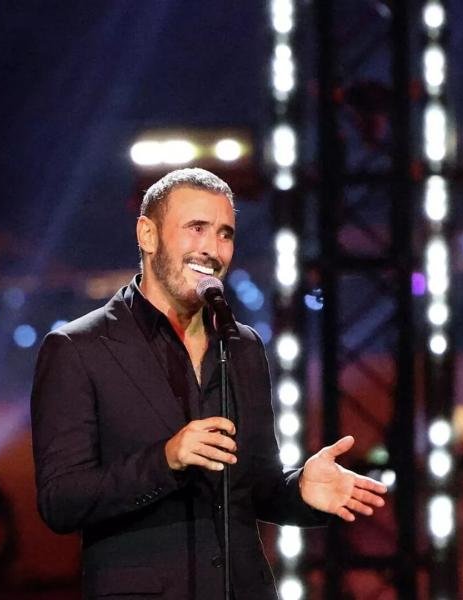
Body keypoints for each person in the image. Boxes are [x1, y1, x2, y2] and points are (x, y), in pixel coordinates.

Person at [31, 168, 388, 599]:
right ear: (147, 234)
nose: (212, 249)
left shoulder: (241, 345)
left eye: (224, 234)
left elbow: (258, 487)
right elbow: (61, 501)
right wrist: (165, 459)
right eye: (196, 228)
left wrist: (301, 492)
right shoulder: (78, 348)